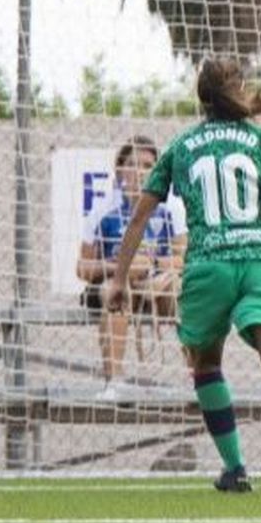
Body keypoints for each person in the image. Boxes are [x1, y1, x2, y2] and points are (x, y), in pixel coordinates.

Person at [105, 57, 261, 493]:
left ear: (201, 98)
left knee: (205, 363)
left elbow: (140, 216)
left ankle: (235, 468)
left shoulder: (182, 146)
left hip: (210, 264)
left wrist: (119, 278)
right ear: (239, 90)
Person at [77, 136, 186, 400]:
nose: (141, 171)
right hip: (117, 283)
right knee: (115, 293)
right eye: (133, 164)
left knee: (185, 294)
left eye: (149, 165)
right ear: (120, 170)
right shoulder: (102, 209)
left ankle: (199, 380)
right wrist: (116, 267)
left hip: (157, 286)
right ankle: (115, 381)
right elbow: (82, 268)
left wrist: (152, 263)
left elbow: (185, 258)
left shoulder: (171, 207)